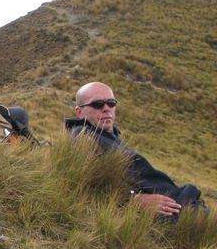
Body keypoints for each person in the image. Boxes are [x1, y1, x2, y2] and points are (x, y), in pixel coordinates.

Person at [65, 81, 205, 220]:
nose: (106, 108)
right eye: (98, 104)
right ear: (79, 112)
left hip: (181, 203)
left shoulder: (107, 137)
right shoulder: (83, 137)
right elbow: (84, 185)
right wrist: (133, 199)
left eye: (111, 103)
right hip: (171, 214)